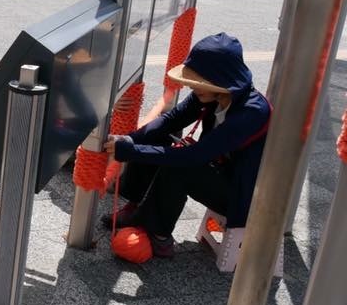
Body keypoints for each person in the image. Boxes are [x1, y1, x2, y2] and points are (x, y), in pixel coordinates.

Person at [103, 33, 270, 258]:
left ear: (221, 80)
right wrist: (131, 140)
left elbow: (195, 156)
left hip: (240, 194)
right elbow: (170, 120)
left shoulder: (252, 112)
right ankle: (135, 205)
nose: (192, 87)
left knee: (181, 164)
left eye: (198, 81)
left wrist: (131, 151)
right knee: (157, 138)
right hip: (216, 169)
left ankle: (159, 234)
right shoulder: (211, 95)